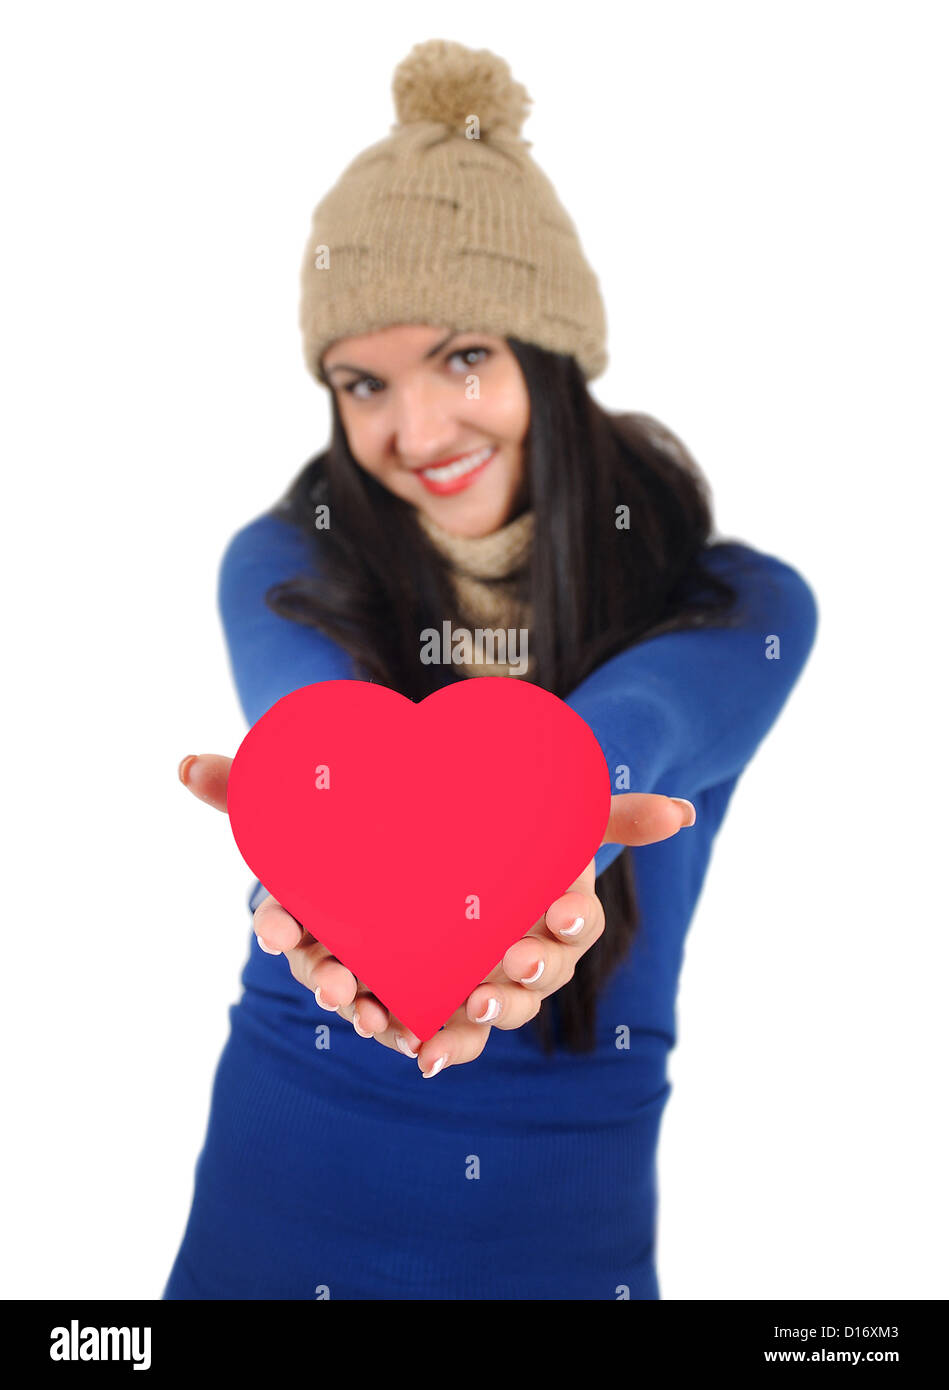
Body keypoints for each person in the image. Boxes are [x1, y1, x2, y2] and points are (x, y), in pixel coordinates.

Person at [162, 38, 818, 1301]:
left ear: (549, 355)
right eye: (364, 382)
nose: (415, 433)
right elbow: (320, 731)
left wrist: (551, 829)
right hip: (272, 1198)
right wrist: (344, 828)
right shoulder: (283, 564)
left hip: (560, 1238)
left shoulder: (737, 605)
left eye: (464, 357)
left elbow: (642, 723)